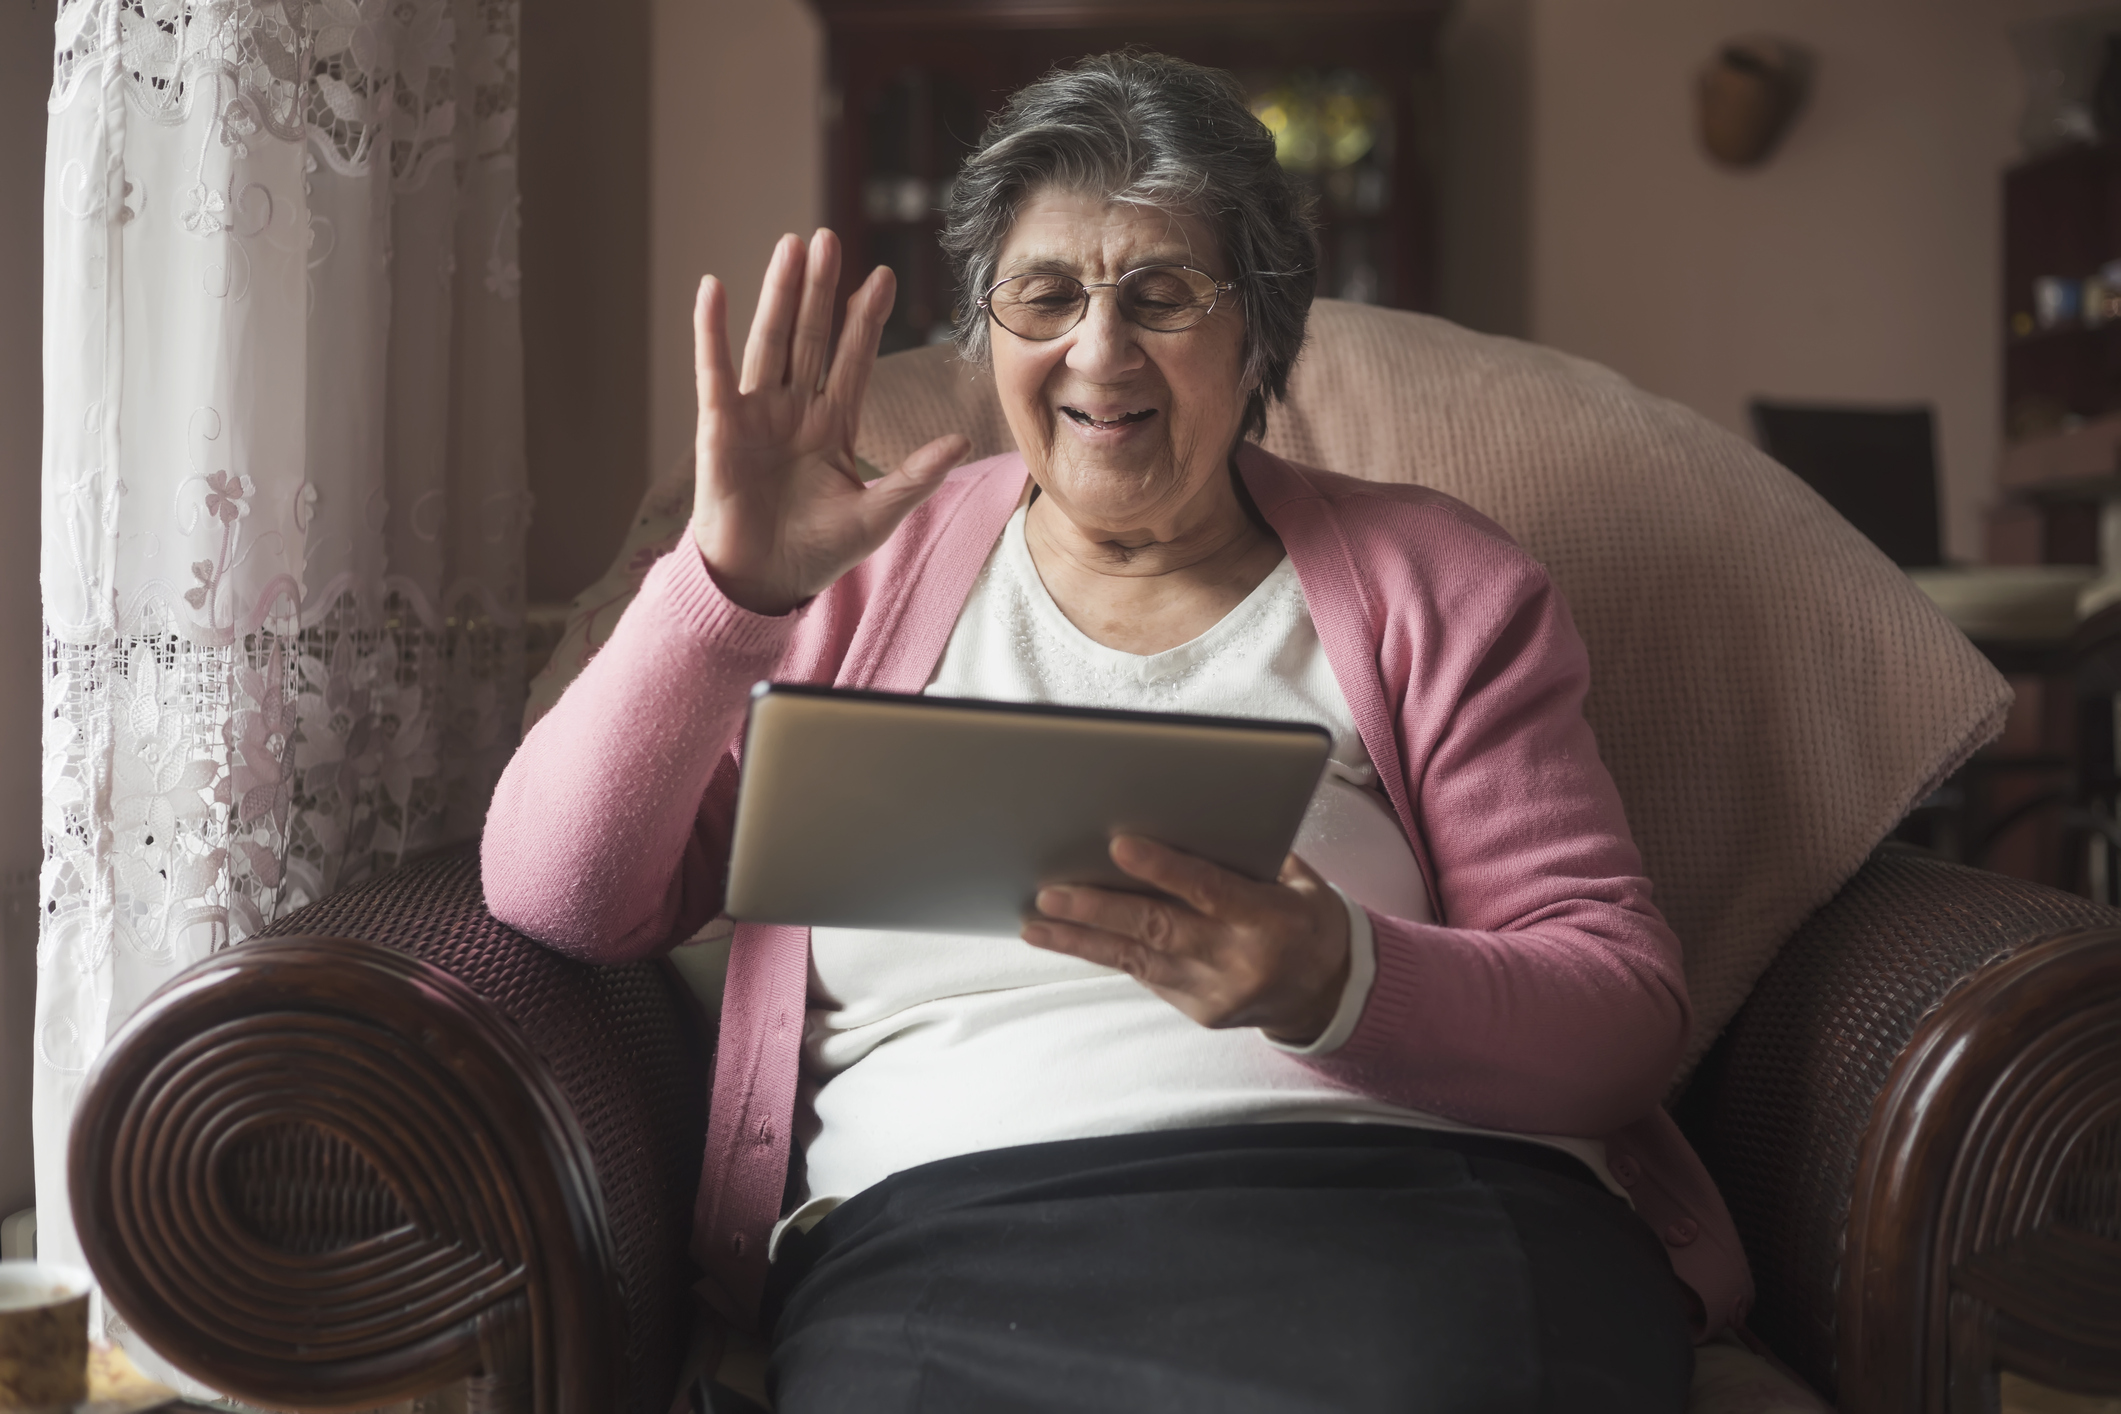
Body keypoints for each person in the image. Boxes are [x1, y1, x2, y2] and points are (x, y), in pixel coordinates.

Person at [484, 50, 1747, 1414]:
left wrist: (1339, 976)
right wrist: (725, 587)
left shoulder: (1438, 582)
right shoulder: (843, 576)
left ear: (1259, 328)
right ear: (989, 332)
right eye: (1043, 296)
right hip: (946, 1242)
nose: (1097, 351)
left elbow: (1620, 1010)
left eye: (1160, 294)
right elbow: (557, 895)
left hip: (1410, 1211)